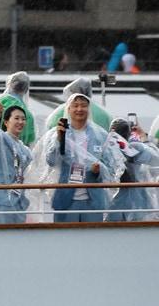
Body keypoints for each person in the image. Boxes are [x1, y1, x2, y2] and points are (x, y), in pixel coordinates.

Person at [29, 92, 118, 223]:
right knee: (64, 240)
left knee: (93, 239)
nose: (79, 109)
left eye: (83, 105)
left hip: (93, 200)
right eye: (75, 105)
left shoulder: (100, 135)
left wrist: (99, 171)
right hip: (66, 199)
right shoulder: (58, 133)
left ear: (89, 109)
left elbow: (110, 168)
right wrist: (59, 139)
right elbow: (51, 161)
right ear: (68, 109)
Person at [105, 119, 159, 222]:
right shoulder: (108, 148)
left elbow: (155, 159)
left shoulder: (135, 147)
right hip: (122, 193)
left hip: (135, 193)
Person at [43, 78, 112, 132]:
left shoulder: (59, 113)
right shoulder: (104, 114)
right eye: (76, 105)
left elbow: (50, 131)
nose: (79, 109)